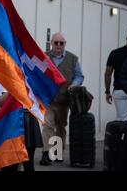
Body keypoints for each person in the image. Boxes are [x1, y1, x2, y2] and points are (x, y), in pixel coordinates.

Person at [40, 32, 84, 166]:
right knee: (47, 125)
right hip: (48, 99)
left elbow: (79, 76)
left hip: (64, 100)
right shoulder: (43, 57)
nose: (58, 45)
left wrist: (74, 85)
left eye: (61, 43)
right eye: (56, 43)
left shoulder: (73, 59)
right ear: (51, 44)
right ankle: (46, 153)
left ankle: (57, 153)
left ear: (65, 44)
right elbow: (37, 72)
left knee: (61, 127)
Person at [0, 93, 43, 172]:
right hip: (14, 118)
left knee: (28, 162)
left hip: (29, 118)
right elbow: (1, 102)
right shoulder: (11, 81)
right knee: (11, 162)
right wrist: (11, 91)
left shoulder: (33, 81)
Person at [105, 29, 127, 121]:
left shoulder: (114, 53)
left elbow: (108, 74)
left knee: (123, 121)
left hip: (120, 91)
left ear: (126, 39)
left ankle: (123, 135)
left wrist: (107, 91)